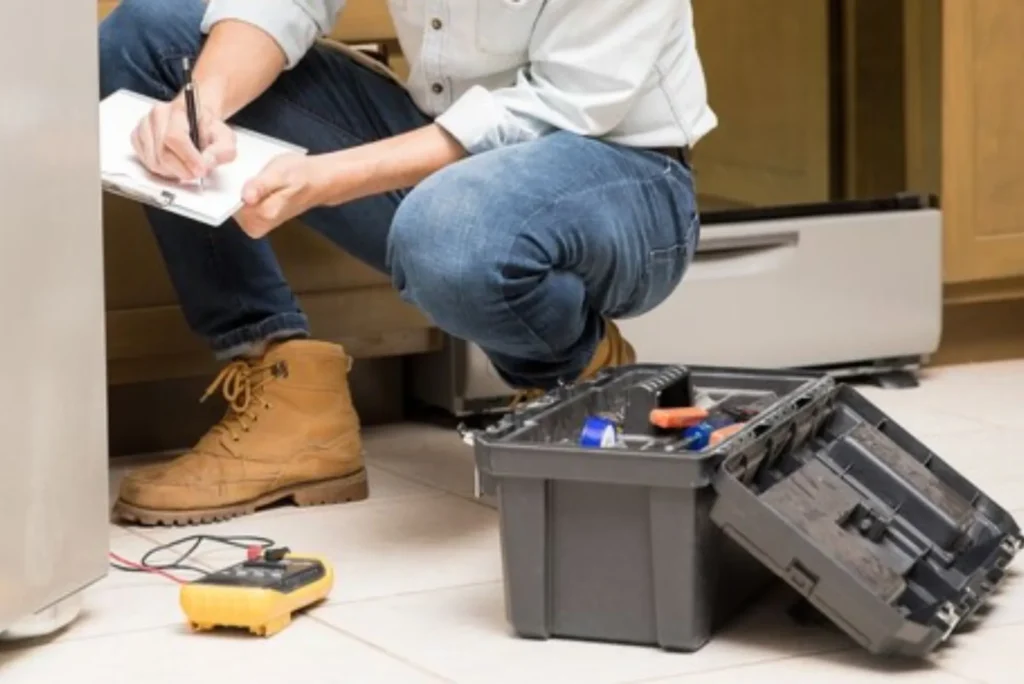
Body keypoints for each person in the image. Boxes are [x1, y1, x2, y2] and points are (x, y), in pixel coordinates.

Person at [99, 0, 713, 525]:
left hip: (623, 171)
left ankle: (574, 373)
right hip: (445, 141)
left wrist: (330, 177)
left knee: (452, 232)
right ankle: (286, 393)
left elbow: (562, 104)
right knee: (155, 39)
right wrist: (200, 103)